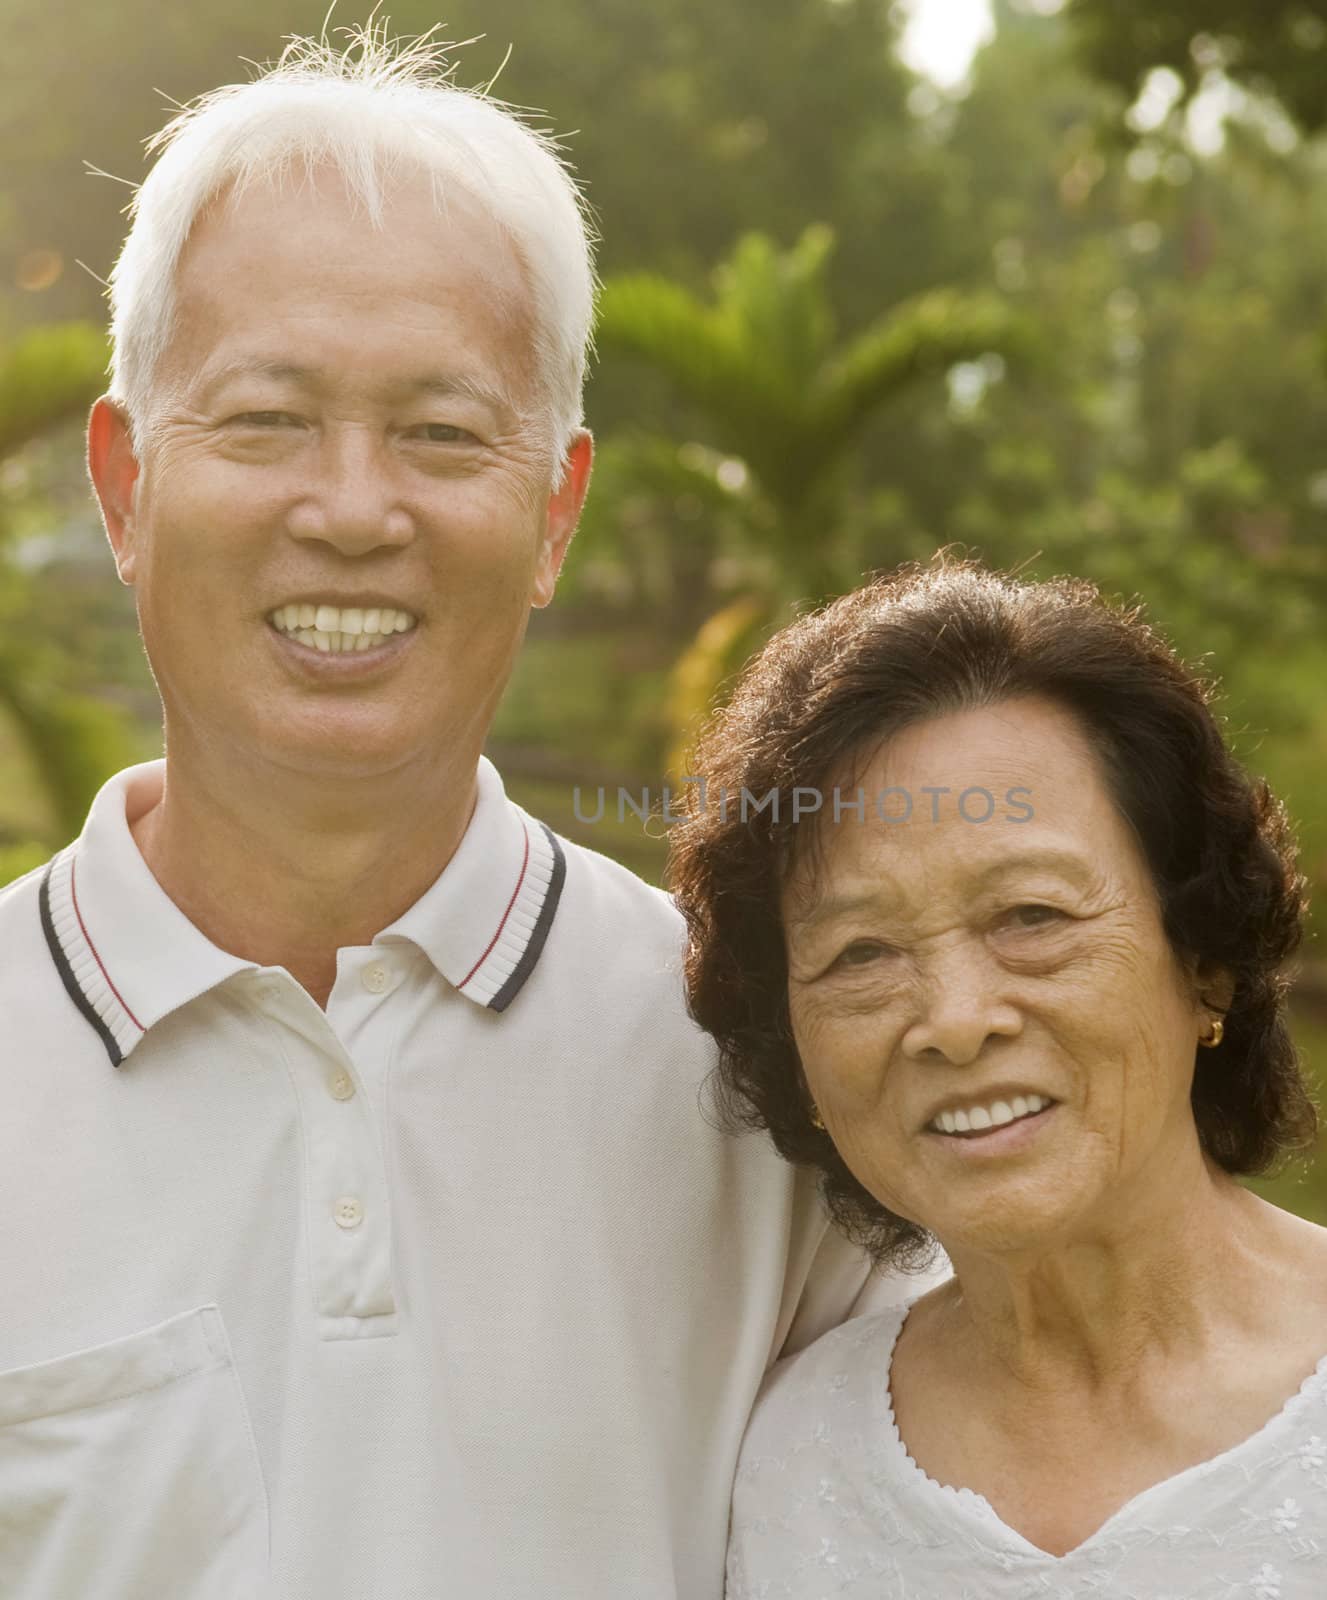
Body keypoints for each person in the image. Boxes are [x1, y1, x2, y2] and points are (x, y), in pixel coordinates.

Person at [0, 29, 940, 1600]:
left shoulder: (766, 1074)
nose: (355, 510)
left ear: (556, 509)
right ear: (124, 487)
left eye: (442, 434)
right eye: (264, 421)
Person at [671, 558, 1327, 1598]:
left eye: (1031, 917)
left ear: (1203, 960)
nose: (957, 1020)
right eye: (860, 955)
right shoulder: (786, 1467)